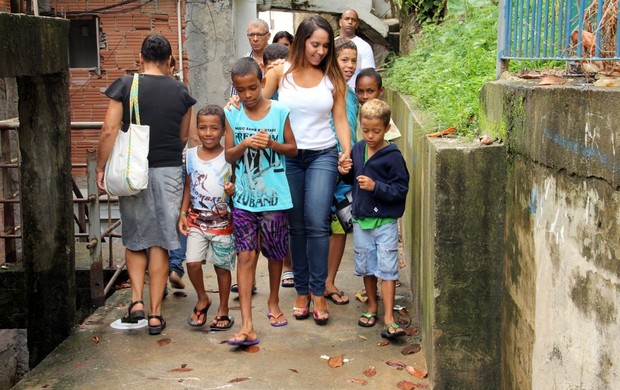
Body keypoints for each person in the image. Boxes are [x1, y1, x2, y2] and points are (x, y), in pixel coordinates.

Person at [96, 34, 196, 335]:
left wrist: (101, 166)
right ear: (168, 61)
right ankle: (155, 314)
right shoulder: (182, 91)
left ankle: (136, 302)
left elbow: (109, 129)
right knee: (161, 241)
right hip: (168, 172)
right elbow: (182, 137)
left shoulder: (126, 86)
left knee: (135, 237)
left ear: (141, 58)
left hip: (134, 172)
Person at [261, 15, 353, 325]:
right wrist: (235, 104)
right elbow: (258, 104)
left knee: (317, 221)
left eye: (326, 46)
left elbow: (340, 118)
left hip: (323, 155)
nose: (321, 52)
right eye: (315, 44)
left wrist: (346, 149)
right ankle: (301, 290)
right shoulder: (280, 73)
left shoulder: (332, 76)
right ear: (302, 42)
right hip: (288, 156)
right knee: (295, 224)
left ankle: (317, 291)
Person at [224, 57, 298, 345]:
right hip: (243, 199)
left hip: (275, 199)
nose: (247, 95)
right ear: (235, 90)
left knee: (276, 254)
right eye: (241, 91)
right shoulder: (233, 114)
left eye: (252, 88)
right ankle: (246, 324)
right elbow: (228, 154)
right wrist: (244, 144)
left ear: (263, 83)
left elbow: (293, 149)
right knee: (245, 256)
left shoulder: (279, 111)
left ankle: (274, 301)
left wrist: (271, 144)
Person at [340, 99, 409, 338]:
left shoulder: (393, 156)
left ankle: (389, 317)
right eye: (366, 130)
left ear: (387, 128)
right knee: (367, 267)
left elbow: (401, 189)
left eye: (376, 131)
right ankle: (372, 306)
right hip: (361, 221)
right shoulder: (358, 149)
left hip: (385, 223)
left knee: (388, 268)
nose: (370, 136)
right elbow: (352, 182)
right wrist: (345, 170)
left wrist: (376, 186)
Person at [178, 105, 236, 331]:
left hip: (223, 224)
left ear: (223, 131)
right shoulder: (190, 155)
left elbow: (235, 183)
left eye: (214, 128)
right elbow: (188, 186)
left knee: (222, 267)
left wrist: (233, 189)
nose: (208, 133)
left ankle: (223, 308)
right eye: (203, 128)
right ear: (196, 129)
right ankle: (202, 298)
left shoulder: (229, 156)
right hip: (196, 220)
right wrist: (183, 213)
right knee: (192, 263)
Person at [325, 38, 359, 305]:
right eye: (344, 59)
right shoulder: (324, 89)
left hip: (346, 168)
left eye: (353, 60)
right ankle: (313, 282)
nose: (349, 65)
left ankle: (329, 281)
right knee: (317, 225)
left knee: (339, 227)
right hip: (324, 165)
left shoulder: (351, 94)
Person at [262, 43, 295, 288]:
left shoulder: (294, 88)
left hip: (288, 153)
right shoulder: (262, 90)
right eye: (275, 66)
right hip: (266, 161)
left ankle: (290, 266)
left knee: (290, 216)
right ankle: (285, 265)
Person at [355, 67, 401, 141]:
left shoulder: (382, 115)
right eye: (360, 91)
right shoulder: (353, 112)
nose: (365, 96)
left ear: (381, 91)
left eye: (370, 91)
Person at [337, 9, 375, 89]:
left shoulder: (364, 46)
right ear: (340, 22)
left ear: (357, 24)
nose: (350, 22)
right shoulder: (332, 43)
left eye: (353, 20)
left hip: (355, 95)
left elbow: (368, 75)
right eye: (347, 19)